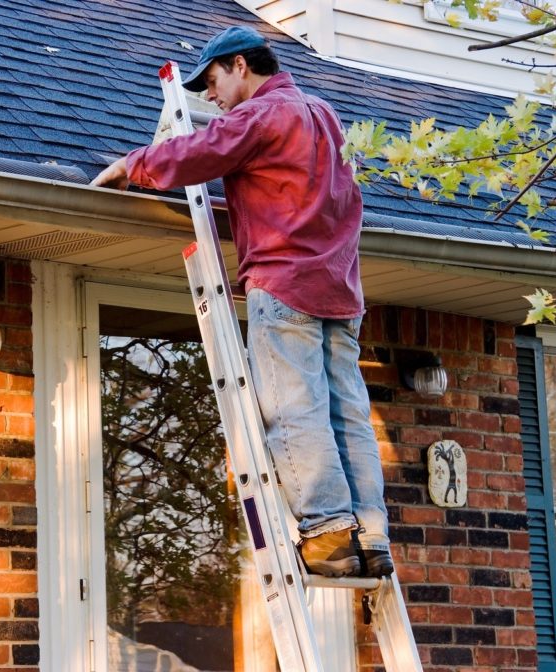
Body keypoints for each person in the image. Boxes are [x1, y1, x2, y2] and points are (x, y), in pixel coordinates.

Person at [92, 25, 393, 578]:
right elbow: (329, 205)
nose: (209, 97)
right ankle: (370, 535)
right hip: (339, 290)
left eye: (211, 81)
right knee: (347, 413)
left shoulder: (263, 114)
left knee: (294, 410)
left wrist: (133, 164)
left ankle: (327, 533)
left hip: (286, 288)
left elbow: (205, 149)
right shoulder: (324, 115)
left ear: (239, 66)